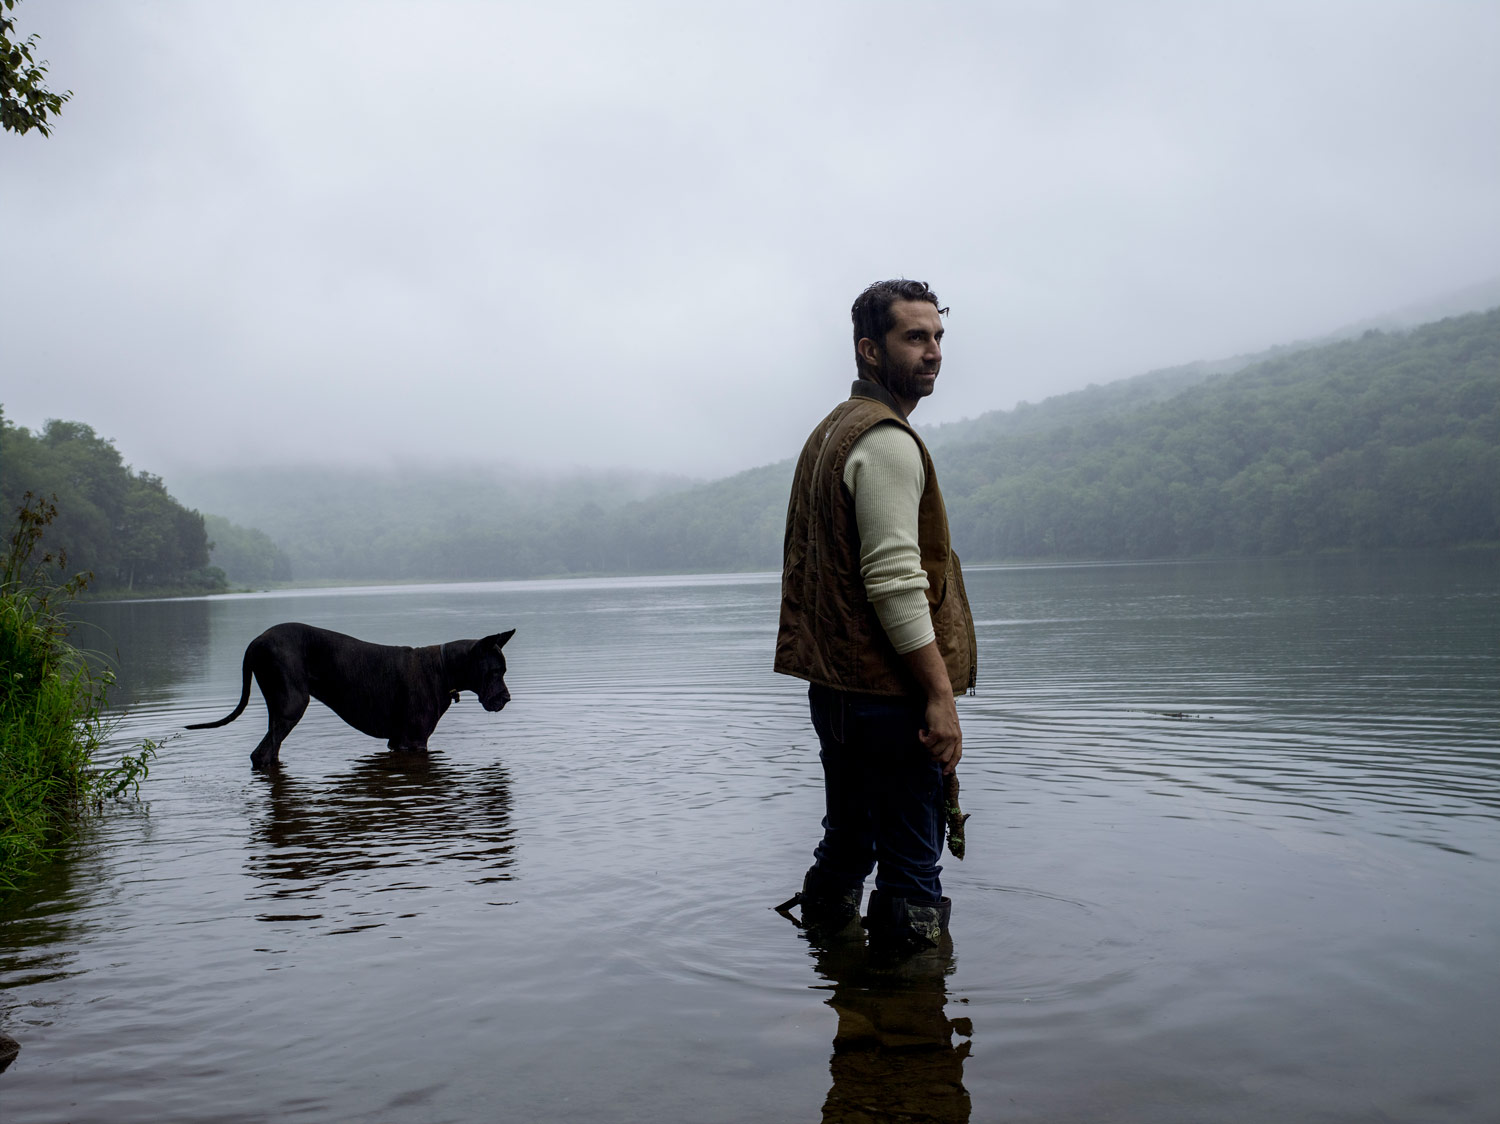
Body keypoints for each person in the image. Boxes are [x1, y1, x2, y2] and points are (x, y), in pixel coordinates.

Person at [775, 278, 977, 954]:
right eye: (913, 337)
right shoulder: (887, 442)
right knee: (913, 868)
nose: (933, 352)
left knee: (848, 841)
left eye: (938, 337)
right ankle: (913, 1028)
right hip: (886, 700)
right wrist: (940, 696)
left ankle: (835, 985)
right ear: (870, 349)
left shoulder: (831, 431)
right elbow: (894, 584)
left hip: (837, 693)